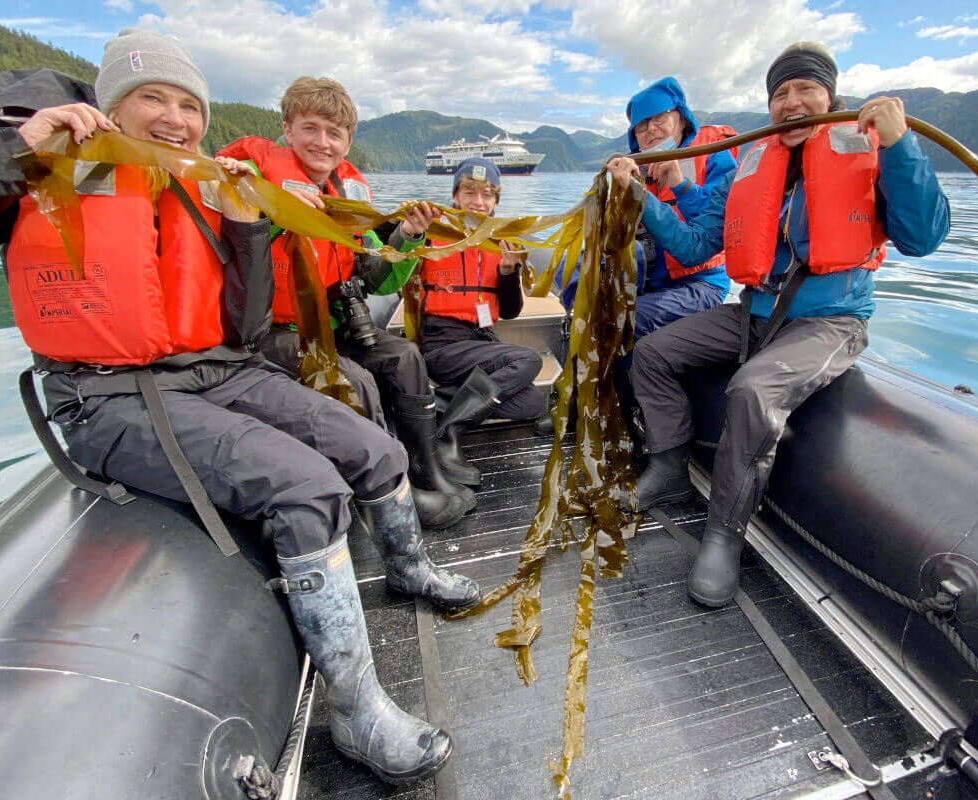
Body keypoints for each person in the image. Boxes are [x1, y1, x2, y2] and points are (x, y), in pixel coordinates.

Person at [0, 30, 478, 785]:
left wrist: (248, 223)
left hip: (215, 368)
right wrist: (16, 150)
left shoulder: (201, 182)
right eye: (154, 98)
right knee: (306, 487)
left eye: (190, 105)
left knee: (375, 450)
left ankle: (409, 568)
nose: (176, 120)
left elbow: (245, 329)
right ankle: (356, 710)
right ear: (112, 104)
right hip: (108, 393)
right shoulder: (46, 166)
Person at [606, 42, 950, 607]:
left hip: (831, 321)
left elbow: (923, 238)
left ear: (829, 96)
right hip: (756, 313)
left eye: (805, 89)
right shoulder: (750, 162)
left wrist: (901, 145)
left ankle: (722, 535)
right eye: (780, 93)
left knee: (750, 389)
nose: (792, 103)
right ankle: (667, 462)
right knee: (653, 353)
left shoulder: (871, 150)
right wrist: (642, 197)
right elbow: (695, 245)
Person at [217, 77, 476, 528]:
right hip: (272, 332)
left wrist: (408, 237)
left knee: (404, 356)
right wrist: (280, 215)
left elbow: (375, 277)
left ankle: (424, 465)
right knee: (354, 379)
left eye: (334, 133)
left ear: (348, 141)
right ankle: (389, 495)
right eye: (310, 128)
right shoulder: (256, 183)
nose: (322, 142)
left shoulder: (349, 194)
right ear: (287, 129)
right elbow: (237, 249)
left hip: (333, 322)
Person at [561, 77, 737, 338]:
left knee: (618, 318)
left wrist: (680, 184)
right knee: (576, 272)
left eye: (659, 119)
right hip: (649, 282)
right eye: (641, 125)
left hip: (700, 284)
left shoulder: (715, 155)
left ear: (681, 119)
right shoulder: (634, 173)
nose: (650, 129)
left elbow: (710, 230)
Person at [417, 158, 548, 485]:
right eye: (470, 192)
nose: (479, 201)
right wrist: (408, 234)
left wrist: (507, 272)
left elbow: (509, 312)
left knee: (533, 402)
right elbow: (396, 256)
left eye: (488, 195)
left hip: (479, 341)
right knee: (528, 359)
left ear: (495, 201)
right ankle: (449, 433)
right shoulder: (433, 231)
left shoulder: (499, 241)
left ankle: (444, 404)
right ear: (456, 196)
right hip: (441, 345)